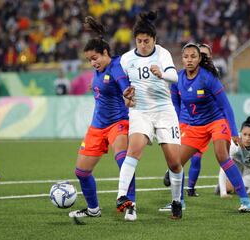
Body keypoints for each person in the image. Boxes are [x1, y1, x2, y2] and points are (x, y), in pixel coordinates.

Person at [161, 43, 250, 213]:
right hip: (195, 126)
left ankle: (246, 201)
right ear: (181, 59)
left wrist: (234, 132)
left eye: (193, 57)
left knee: (222, 156)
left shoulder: (208, 78)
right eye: (186, 57)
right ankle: (179, 201)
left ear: (199, 59)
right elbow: (175, 105)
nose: (189, 60)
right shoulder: (177, 79)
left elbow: (226, 107)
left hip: (216, 122)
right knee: (176, 163)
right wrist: (172, 126)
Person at [115, 11, 184, 220]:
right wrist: (125, 96)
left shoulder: (162, 54)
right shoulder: (126, 59)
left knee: (174, 163)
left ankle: (176, 201)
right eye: (139, 41)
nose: (143, 44)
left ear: (154, 40)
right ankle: (121, 196)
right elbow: (123, 88)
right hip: (140, 111)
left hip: (164, 110)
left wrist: (161, 74)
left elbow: (174, 76)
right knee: (134, 149)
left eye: (147, 41)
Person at [68, 17, 136, 221]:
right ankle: (93, 209)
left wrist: (128, 94)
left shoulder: (116, 67)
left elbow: (124, 85)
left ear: (106, 53)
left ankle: (130, 204)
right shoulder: (98, 70)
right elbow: (103, 85)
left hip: (118, 123)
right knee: (81, 171)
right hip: (97, 126)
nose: (92, 63)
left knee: (124, 161)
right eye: (89, 60)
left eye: (95, 58)